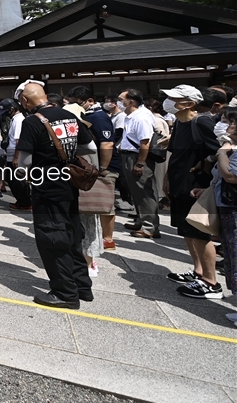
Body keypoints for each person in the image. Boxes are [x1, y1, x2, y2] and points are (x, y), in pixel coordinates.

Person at [15, 80, 97, 309]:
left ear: (24, 100)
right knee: (72, 235)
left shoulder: (32, 122)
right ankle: (82, 286)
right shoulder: (68, 115)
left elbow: (25, 162)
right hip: (69, 184)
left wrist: (23, 174)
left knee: (53, 239)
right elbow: (90, 147)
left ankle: (65, 293)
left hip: (47, 188)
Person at [160, 85, 222, 298]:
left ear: (190, 103)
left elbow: (220, 150)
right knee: (186, 231)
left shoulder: (202, 122)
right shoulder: (179, 123)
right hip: (179, 183)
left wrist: (207, 172)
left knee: (200, 233)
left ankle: (211, 282)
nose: (169, 102)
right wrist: (167, 178)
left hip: (196, 185)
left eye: (175, 98)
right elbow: (174, 153)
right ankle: (198, 271)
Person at [66, 87, 119, 253]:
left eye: (78, 102)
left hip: (102, 167)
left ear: (90, 101)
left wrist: (102, 168)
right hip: (88, 167)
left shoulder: (99, 117)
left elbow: (107, 143)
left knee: (103, 202)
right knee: (90, 206)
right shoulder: (86, 116)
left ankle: (108, 238)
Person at [118, 89, 160, 239]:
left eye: (121, 99)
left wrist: (140, 163)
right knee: (136, 190)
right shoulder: (132, 116)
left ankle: (150, 227)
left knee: (144, 192)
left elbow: (145, 143)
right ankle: (141, 220)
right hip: (129, 155)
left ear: (130, 102)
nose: (118, 102)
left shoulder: (141, 117)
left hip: (137, 157)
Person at [210, 108, 237, 310]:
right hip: (226, 205)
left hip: (233, 207)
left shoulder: (228, 150)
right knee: (229, 254)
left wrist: (222, 153)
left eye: (230, 122)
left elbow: (230, 175)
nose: (226, 126)